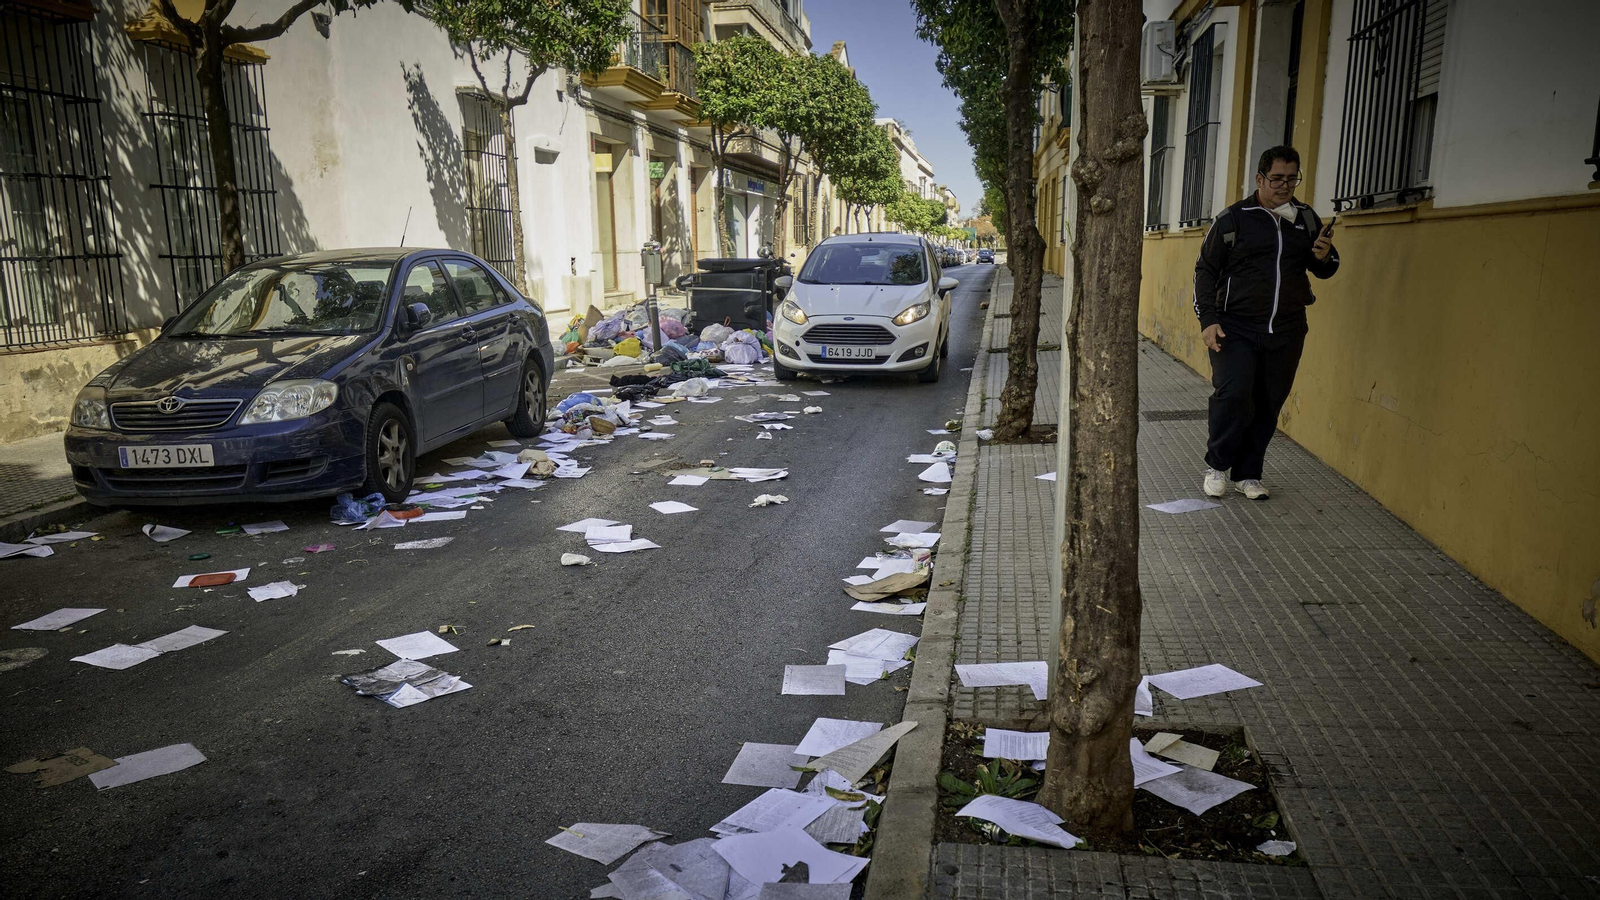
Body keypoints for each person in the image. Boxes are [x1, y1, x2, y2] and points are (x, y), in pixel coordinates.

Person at [1193, 145, 1339, 500]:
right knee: (1233, 394)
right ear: (1260, 179)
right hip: (1235, 326)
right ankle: (1217, 465)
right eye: (1276, 179)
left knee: (1268, 402)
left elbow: (1323, 269)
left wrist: (1325, 256)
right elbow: (1205, 270)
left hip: (1286, 329)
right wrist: (1208, 320)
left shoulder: (1305, 219)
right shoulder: (1233, 219)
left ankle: (1248, 474)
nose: (1284, 186)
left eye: (1291, 179)